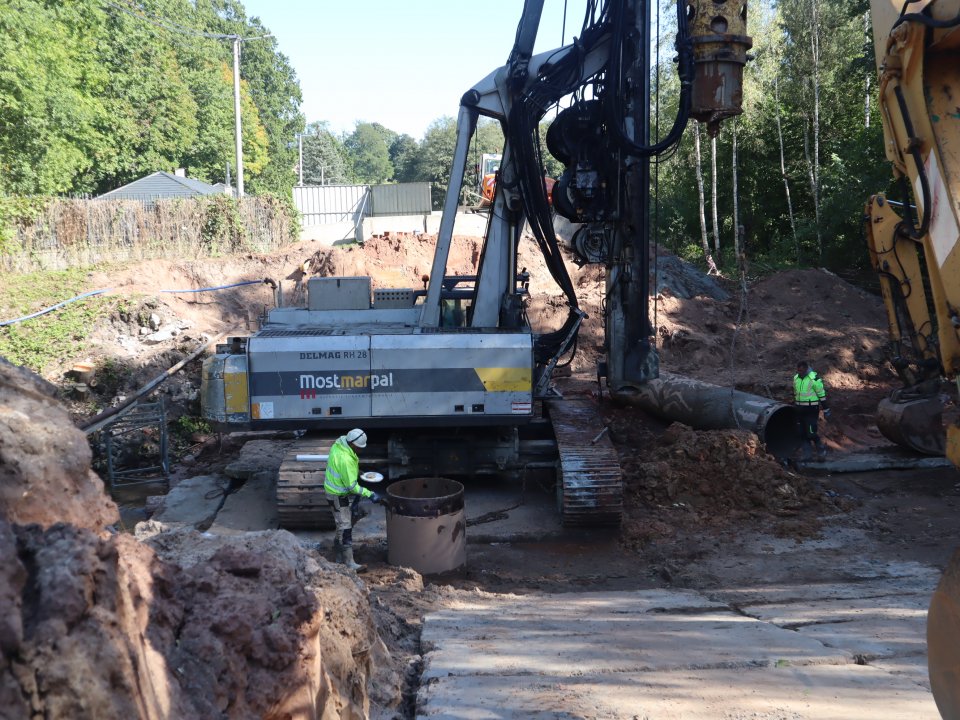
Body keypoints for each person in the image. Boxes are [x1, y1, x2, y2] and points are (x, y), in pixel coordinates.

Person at [324, 428, 383, 571]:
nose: (360, 450)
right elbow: (352, 487)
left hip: (333, 491)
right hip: (337, 495)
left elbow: (343, 469)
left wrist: (356, 472)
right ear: (353, 445)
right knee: (345, 528)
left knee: (341, 525)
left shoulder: (340, 443)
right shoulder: (345, 459)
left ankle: (338, 557)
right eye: (359, 447)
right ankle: (348, 563)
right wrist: (370, 494)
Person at [793, 360, 829, 460]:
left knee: (811, 432)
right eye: (798, 370)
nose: (799, 372)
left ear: (806, 369)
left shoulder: (814, 379)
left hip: (811, 409)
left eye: (801, 370)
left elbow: (821, 395)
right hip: (800, 409)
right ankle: (807, 454)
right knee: (801, 432)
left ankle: (821, 450)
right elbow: (796, 393)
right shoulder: (796, 378)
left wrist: (826, 409)